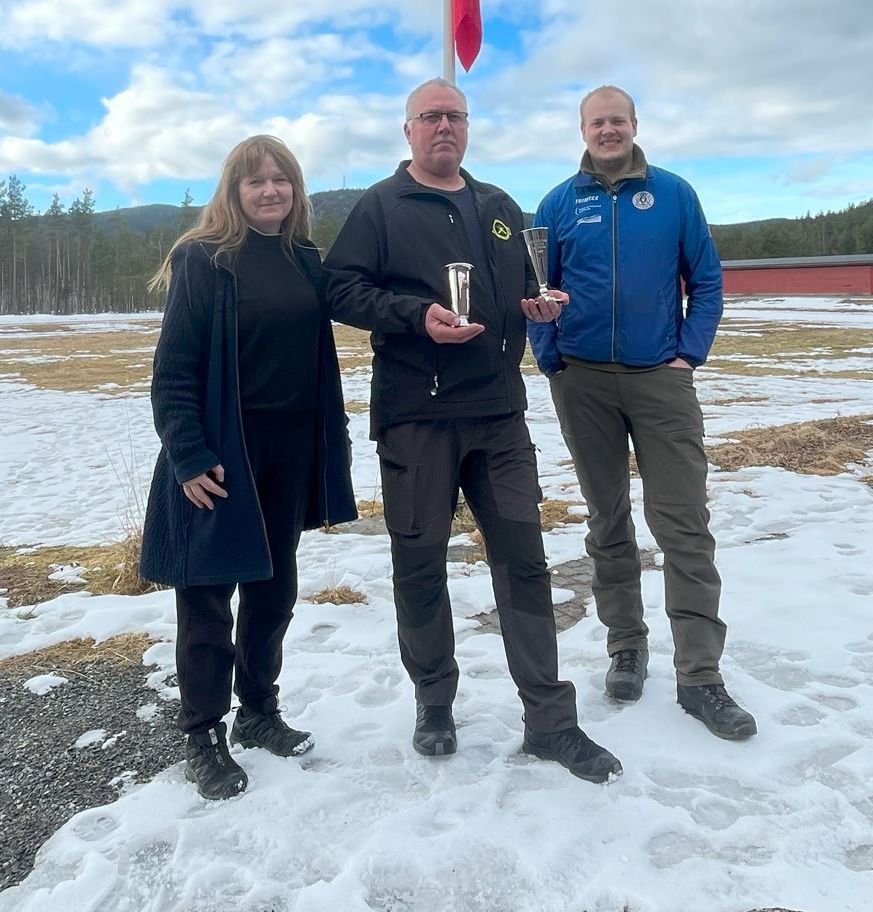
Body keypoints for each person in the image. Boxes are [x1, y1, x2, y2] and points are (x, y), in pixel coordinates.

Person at [324, 78, 621, 784]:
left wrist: (536, 307)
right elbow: (338, 289)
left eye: (454, 116)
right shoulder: (382, 206)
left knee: (524, 562)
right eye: (430, 116)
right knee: (419, 563)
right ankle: (434, 702)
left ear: (467, 126)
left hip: (497, 417)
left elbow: (518, 290)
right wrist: (413, 316)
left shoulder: (497, 206)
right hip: (417, 418)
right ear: (408, 130)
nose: (444, 126)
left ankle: (550, 721)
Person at [527, 86, 757, 741]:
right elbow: (535, 288)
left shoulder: (674, 195)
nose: (608, 130)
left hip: (660, 378)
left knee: (683, 522)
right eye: (597, 122)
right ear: (582, 129)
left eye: (617, 120)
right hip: (583, 382)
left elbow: (706, 281)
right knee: (607, 520)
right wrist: (551, 357)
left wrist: (689, 352)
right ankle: (625, 646)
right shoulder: (557, 204)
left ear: (633, 125)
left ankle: (700, 675)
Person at [140, 135, 358, 800]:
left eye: (280, 180)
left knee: (273, 591)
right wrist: (189, 455)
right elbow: (173, 369)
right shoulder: (204, 258)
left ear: (296, 190)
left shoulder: (302, 258)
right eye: (255, 181)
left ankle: (259, 711)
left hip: (289, 452)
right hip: (222, 454)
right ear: (233, 191)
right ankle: (202, 734)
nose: (269, 191)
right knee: (207, 599)